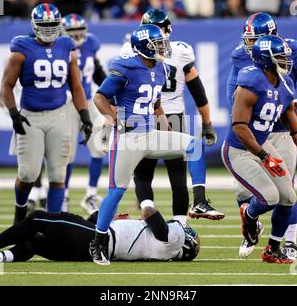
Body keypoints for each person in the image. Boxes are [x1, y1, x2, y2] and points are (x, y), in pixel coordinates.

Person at [89, 23, 211, 266]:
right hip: (128, 137)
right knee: (117, 190)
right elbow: (100, 96)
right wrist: (109, 120)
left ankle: (199, 200)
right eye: (157, 45)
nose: (162, 48)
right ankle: (98, 241)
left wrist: (162, 119)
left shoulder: (161, 68)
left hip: (150, 133)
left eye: (162, 44)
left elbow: (154, 99)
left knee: (194, 145)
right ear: (144, 47)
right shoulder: (126, 66)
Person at [221, 35, 297, 264]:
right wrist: (265, 157)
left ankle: (272, 249)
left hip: (261, 144)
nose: (287, 61)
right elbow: (238, 127)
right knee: (269, 198)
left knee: (288, 197)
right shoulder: (250, 83)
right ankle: (248, 214)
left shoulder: (285, 84)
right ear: (266, 60)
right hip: (238, 149)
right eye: (280, 57)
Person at [121, 9, 223, 224]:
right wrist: (207, 123)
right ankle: (182, 225)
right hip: (173, 117)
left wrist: (117, 119)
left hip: (142, 117)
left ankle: (148, 211)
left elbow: (119, 90)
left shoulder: (130, 50)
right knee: (177, 178)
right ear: (169, 28)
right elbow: (198, 93)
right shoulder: (181, 51)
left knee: (142, 175)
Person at [0, 3, 92, 224]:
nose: (49, 29)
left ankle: (52, 225)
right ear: (34, 25)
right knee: (28, 174)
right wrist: (14, 113)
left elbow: (76, 86)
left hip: (60, 115)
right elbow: (6, 86)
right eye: (44, 25)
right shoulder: (21, 48)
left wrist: (85, 116)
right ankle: (20, 211)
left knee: (58, 175)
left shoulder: (66, 46)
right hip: (31, 117)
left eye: (53, 25)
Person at [0, 207, 200, 263]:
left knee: (37, 218)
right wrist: (103, 217)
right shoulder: (163, 250)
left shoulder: (174, 239)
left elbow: (149, 211)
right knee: (35, 245)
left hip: (97, 240)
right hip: (92, 249)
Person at [61, 13, 107, 214]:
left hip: (89, 101)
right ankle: (63, 196)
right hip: (68, 103)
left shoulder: (91, 43)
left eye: (80, 31)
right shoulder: (58, 47)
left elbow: (96, 70)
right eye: (72, 32)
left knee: (98, 148)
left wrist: (108, 89)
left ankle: (91, 194)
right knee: (67, 154)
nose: (77, 35)